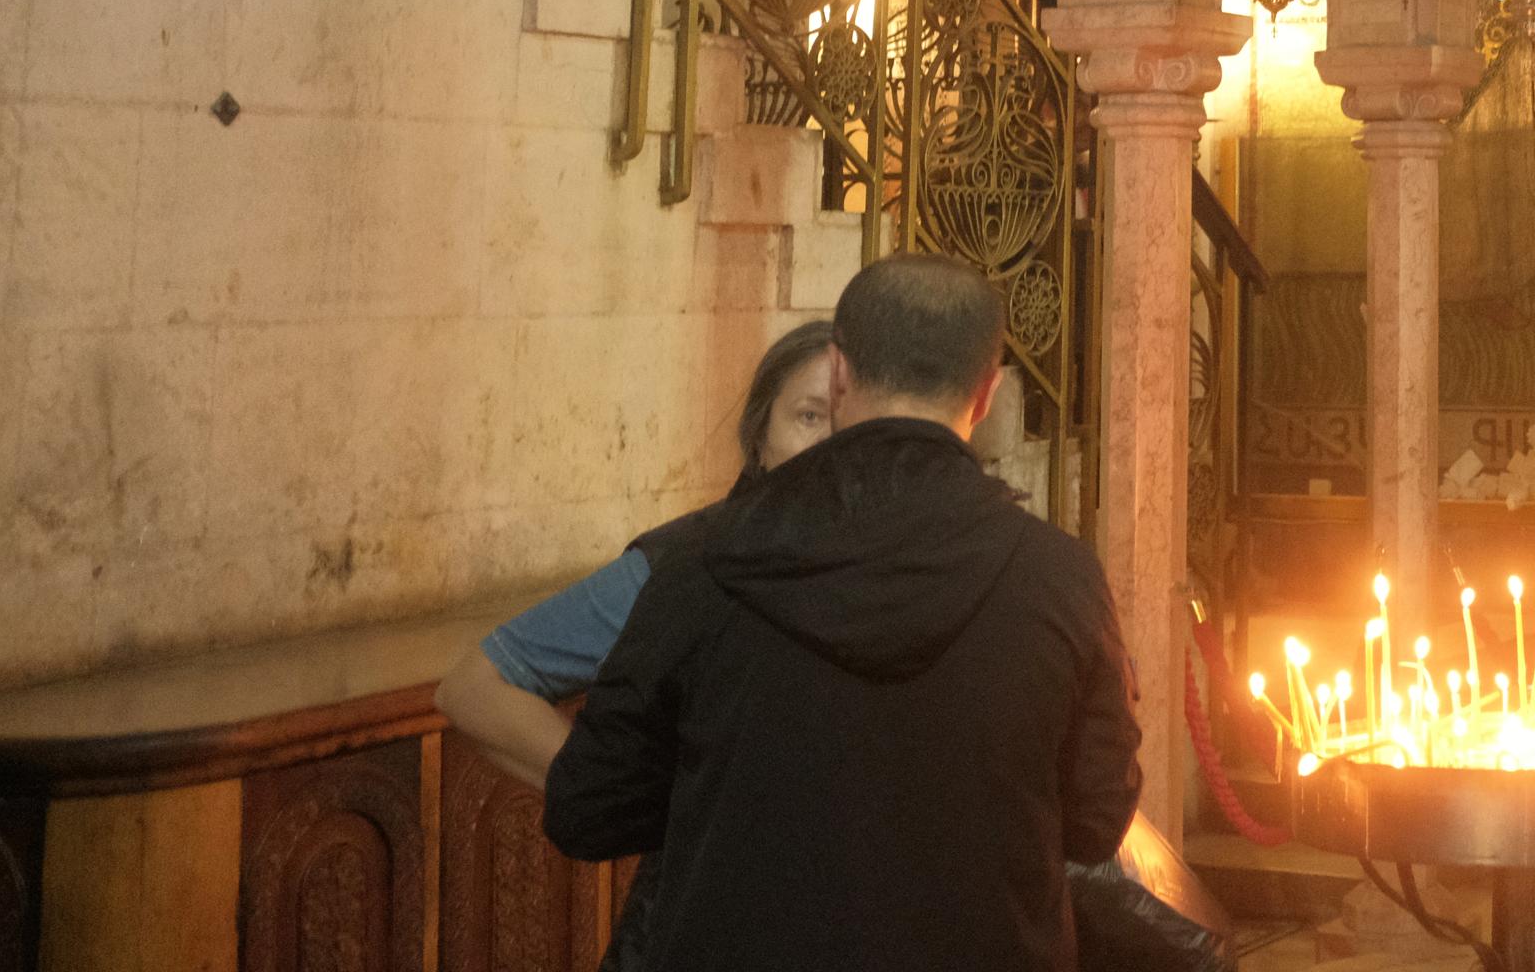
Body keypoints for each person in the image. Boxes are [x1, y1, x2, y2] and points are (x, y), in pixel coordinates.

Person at [544, 258, 1141, 970]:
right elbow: (1097, 822)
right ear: (986, 393)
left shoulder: (703, 561)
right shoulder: (1059, 576)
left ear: (837, 372)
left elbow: (588, 808)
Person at [436, 319, 838, 790]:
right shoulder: (686, 563)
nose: (831, 446)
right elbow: (474, 688)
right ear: (760, 438)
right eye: (810, 417)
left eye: (854, 425)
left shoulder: (901, 570)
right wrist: (625, 793)